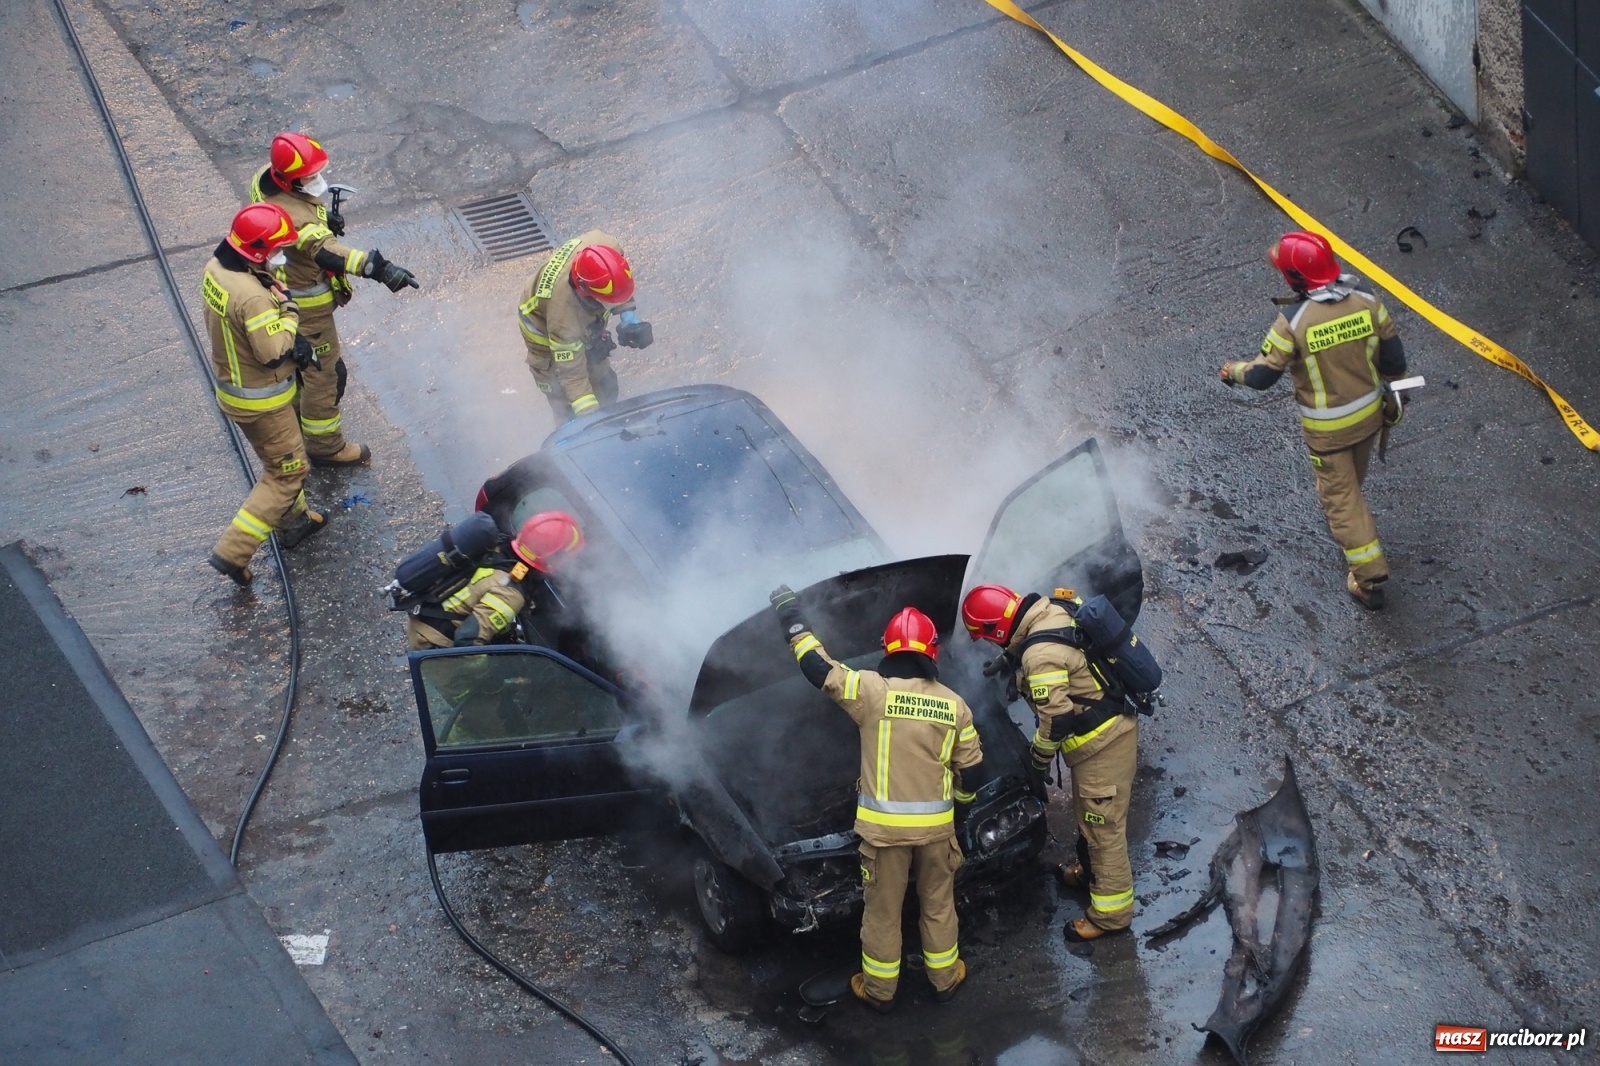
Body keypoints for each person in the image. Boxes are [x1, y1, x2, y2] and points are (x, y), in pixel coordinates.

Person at [770, 587, 983, 1011]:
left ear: (888, 649)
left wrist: (792, 620)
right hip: (937, 834)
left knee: (882, 914)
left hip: (883, 837)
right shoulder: (953, 705)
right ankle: (944, 979)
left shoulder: (871, 692)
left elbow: (818, 667)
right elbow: (973, 770)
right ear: (931, 651)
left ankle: (880, 992)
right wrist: (960, 809)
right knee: (939, 905)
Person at [1220, 230, 1408, 610]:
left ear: (1296, 278)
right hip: (1371, 419)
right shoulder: (1369, 303)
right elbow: (1394, 364)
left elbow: (1261, 376)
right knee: (1351, 482)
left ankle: (1369, 576)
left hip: (1329, 433)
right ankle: (1353, 534)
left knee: (1340, 499)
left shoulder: (1293, 322)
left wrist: (1233, 371)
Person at [961, 583, 1136, 942]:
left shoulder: (1038, 657)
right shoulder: (1049, 608)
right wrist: (1008, 660)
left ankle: (1111, 915)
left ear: (996, 628)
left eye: (989, 638)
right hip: (1107, 732)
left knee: (1103, 828)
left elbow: (1057, 720)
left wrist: (1037, 762)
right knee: (1089, 818)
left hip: (1103, 744)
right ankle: (1090, 875)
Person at [251, 131, 419, 467]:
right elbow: (324, 251)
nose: (316, 181)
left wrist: (325, 218)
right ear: (289, 181)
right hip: (307, 310)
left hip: (284, 297)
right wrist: (377, 268)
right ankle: (325, 447)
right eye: (309, 177)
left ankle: (296, 420)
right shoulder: (296, 219)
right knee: (325, 374)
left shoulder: (265, 180)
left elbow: (305, 217)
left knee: (300, 368)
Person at [203, 203, 327, 586]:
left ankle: (296, 522)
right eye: (275, 250)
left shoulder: (218, 269)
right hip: (263, 401)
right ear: (258, 251)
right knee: (288, 472)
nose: (280, 255)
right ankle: (232, 552)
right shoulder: (252, 298)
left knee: (281, 460)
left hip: (238, 391)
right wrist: (289, 314)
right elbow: (273, 351)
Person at [516, 230, 653, 422]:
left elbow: (615, 280)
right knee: (567, 403)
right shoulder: (564, 315)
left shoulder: (606, 246)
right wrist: (590, 422)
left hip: (578, 321)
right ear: (585, 290)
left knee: (604, 382)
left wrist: (628, 314)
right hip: (547, 341)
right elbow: (572, 377)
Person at [405, 512, 583, 650]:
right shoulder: (510, 593)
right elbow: (467, 640)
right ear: (552, 559)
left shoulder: (499, 548)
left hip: (425, 618)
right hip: (432, 642)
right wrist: (491, 677)